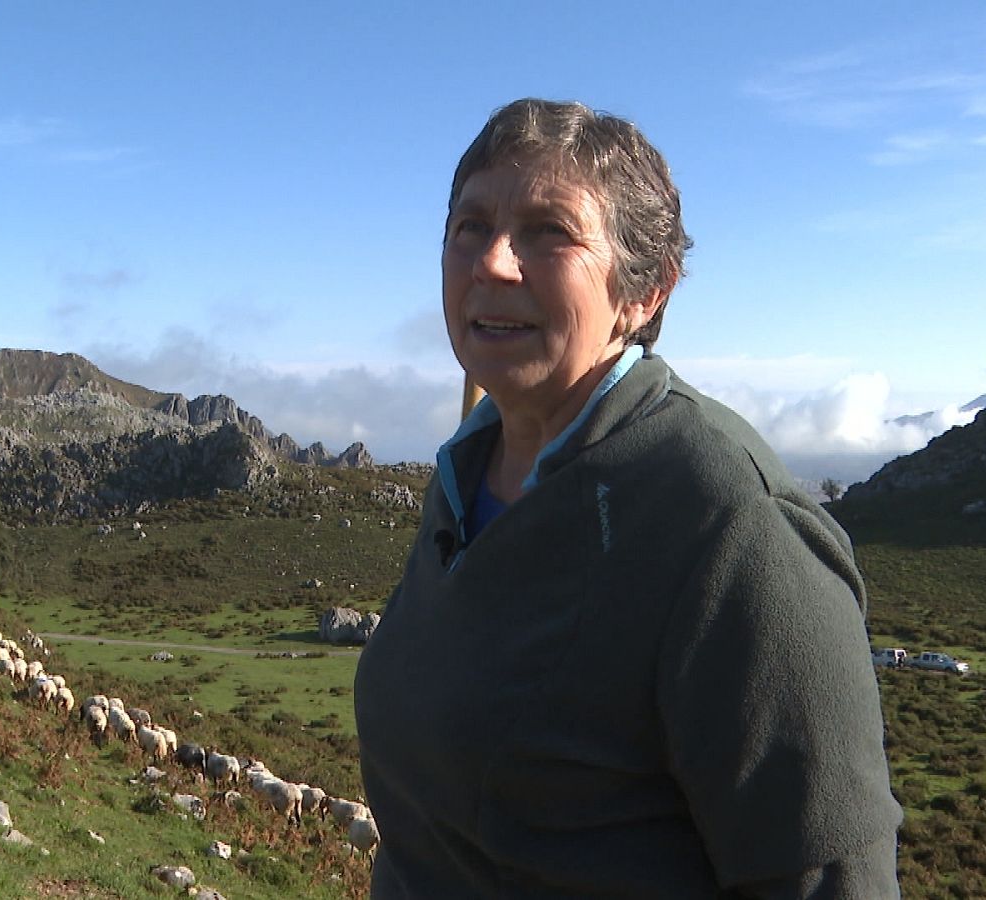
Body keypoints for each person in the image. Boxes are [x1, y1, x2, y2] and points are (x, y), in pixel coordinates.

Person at [353, 98, 903, 898]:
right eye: (470, 226)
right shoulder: (466, 472)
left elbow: (831, 882)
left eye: (550, 231)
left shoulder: (731, 526)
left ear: (645, 292)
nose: (493, 263)